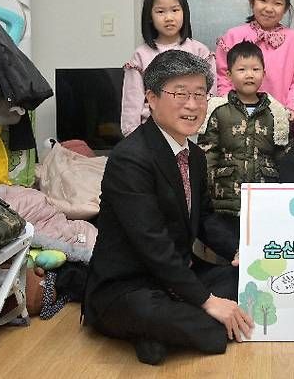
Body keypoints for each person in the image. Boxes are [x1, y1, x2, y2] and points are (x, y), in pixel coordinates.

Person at [84, 50, 254, 365]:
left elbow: (205, 219)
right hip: (131, 285)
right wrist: (207, 301)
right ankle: (167, 327)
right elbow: (152, 244)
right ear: (151, 97)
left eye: (200, 94)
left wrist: (240, 251)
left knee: (243, 281)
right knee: (203, 324)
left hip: (179, 275)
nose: (192, 105)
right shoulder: (129, 159)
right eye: (180, 94)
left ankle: (157, 335)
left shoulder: (196, 157)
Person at [197, 41, 289, 247]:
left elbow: (281, 154)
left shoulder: (275, 111)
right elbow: (207, 153)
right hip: (225, 198)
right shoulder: (217, 110)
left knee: (261, 247)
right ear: (229, 75)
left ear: (264, 74)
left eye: (255, 69)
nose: (249, 74)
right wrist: (205, 190)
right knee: (229, 246)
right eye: (242, 69)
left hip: (265, 197)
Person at [121, 0, 216, 137]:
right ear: (150, 16)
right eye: (160, 11)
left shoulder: (200, 51)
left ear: (184, 12)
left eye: (175, 10)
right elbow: (132, 104)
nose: (169, 17)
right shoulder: (141, 55)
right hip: (152, 134)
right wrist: (133, 139)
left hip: (194, 132)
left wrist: (206, 132)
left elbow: (210, 97)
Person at [215, 0, 294, 118]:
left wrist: (291, 105)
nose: (269, 8)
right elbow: (222, 74)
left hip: (280, 117)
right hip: (236, 116)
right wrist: (228, 105)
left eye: (277, 3)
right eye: (263, 0)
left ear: (286, 8)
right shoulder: (233, 36)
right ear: (252, 1)